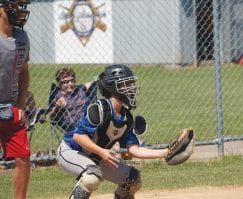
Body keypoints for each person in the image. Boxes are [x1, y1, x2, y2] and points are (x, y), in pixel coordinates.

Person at [56, 64, 170, 199]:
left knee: (133, 179)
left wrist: (165, 152)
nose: (130, 88)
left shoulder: (126, 117)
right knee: (91, 177)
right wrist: (101, 151)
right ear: (113, 87)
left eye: (130, 83)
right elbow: (78, 137)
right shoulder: (99, 108)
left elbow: (134, 150)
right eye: (126, 84)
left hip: (98, 157)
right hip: (71, 151)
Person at [0, 0, 31, 198]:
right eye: (15, 6)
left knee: (23, 157)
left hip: (10, 108)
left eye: (22, 6)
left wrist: (20, 104)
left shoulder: (22, 37)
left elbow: (24, 73)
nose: (20, 10)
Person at [49, 67, 97, 132]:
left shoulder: (80, 89)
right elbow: (51, 116)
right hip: (74, 126)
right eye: (66, 82)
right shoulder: (58, 96)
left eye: (72, 81)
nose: (70, 84)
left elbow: (94, 82)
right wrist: (57, 107)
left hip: (90, 120)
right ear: (60, 84)